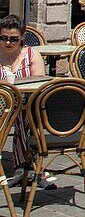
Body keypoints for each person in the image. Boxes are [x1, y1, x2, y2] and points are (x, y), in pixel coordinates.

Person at [0, 15, 45, 185]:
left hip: (26, 102)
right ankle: (26, 167)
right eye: (3, 38)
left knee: (25, 115)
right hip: (1, 104)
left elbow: (39, 84)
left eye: (13, 39)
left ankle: (24, 167)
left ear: (22, 38)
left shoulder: (31, 55)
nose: (8, 43)